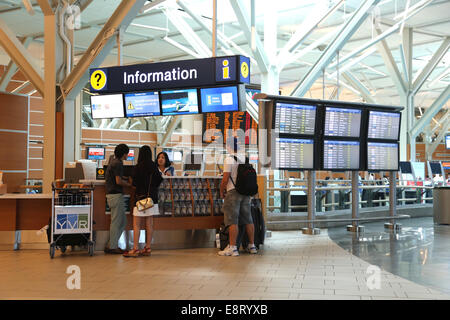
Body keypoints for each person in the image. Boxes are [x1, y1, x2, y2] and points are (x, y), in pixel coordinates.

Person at [218, 137, 257, 257]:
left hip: (233, 192)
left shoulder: (229, 158)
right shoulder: (244, 158)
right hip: (245, 193)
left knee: (232, 220)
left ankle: (233, 248)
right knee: (248, 219)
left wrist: (221, 190)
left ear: (228, 146)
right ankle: (252, 246)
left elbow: (225, 178)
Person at [124, 146, 162, 258]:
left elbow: (134, 184)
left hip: (140, 199)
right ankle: (148, 248)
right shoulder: (154, 166)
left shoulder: (137, 167)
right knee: (149, 223)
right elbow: (159, 180)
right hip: (152, 199)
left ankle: (135, 249)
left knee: (137, 224)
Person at [104, 144, 132, 254]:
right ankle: (112, 246)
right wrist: (129, 185)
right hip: (115, 195)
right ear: (124, 153)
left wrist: (124, 178)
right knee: (117, 222)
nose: (127, 155)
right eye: (127, 153)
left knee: (121, 221)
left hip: (112, 195)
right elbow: (118, 181)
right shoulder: (118, 163)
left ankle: (111, 244)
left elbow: (118, 177)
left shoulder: (114, 162)